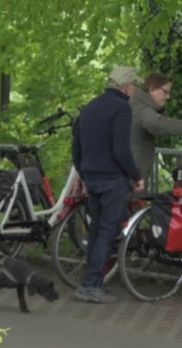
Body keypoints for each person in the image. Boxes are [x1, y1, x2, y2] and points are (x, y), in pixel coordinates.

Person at [72, 65, 145, 305]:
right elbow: (121, 150)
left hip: (92, 178)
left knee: (96, 231)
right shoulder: (121, 108)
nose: (134, 89)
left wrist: (83, 175)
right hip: (113, 179)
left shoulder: (90, 107)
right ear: (125, 86)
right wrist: (136, 176)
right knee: (107, 231)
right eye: (134, 84)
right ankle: (92, 284)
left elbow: (77, 148)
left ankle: (87, 281)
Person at [130, 72, 182, 192]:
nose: (168, 97)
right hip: (133, 178)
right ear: (152, 88)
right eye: (165, 92)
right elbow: (158, 124)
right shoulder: (143, 109)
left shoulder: (135, 104)